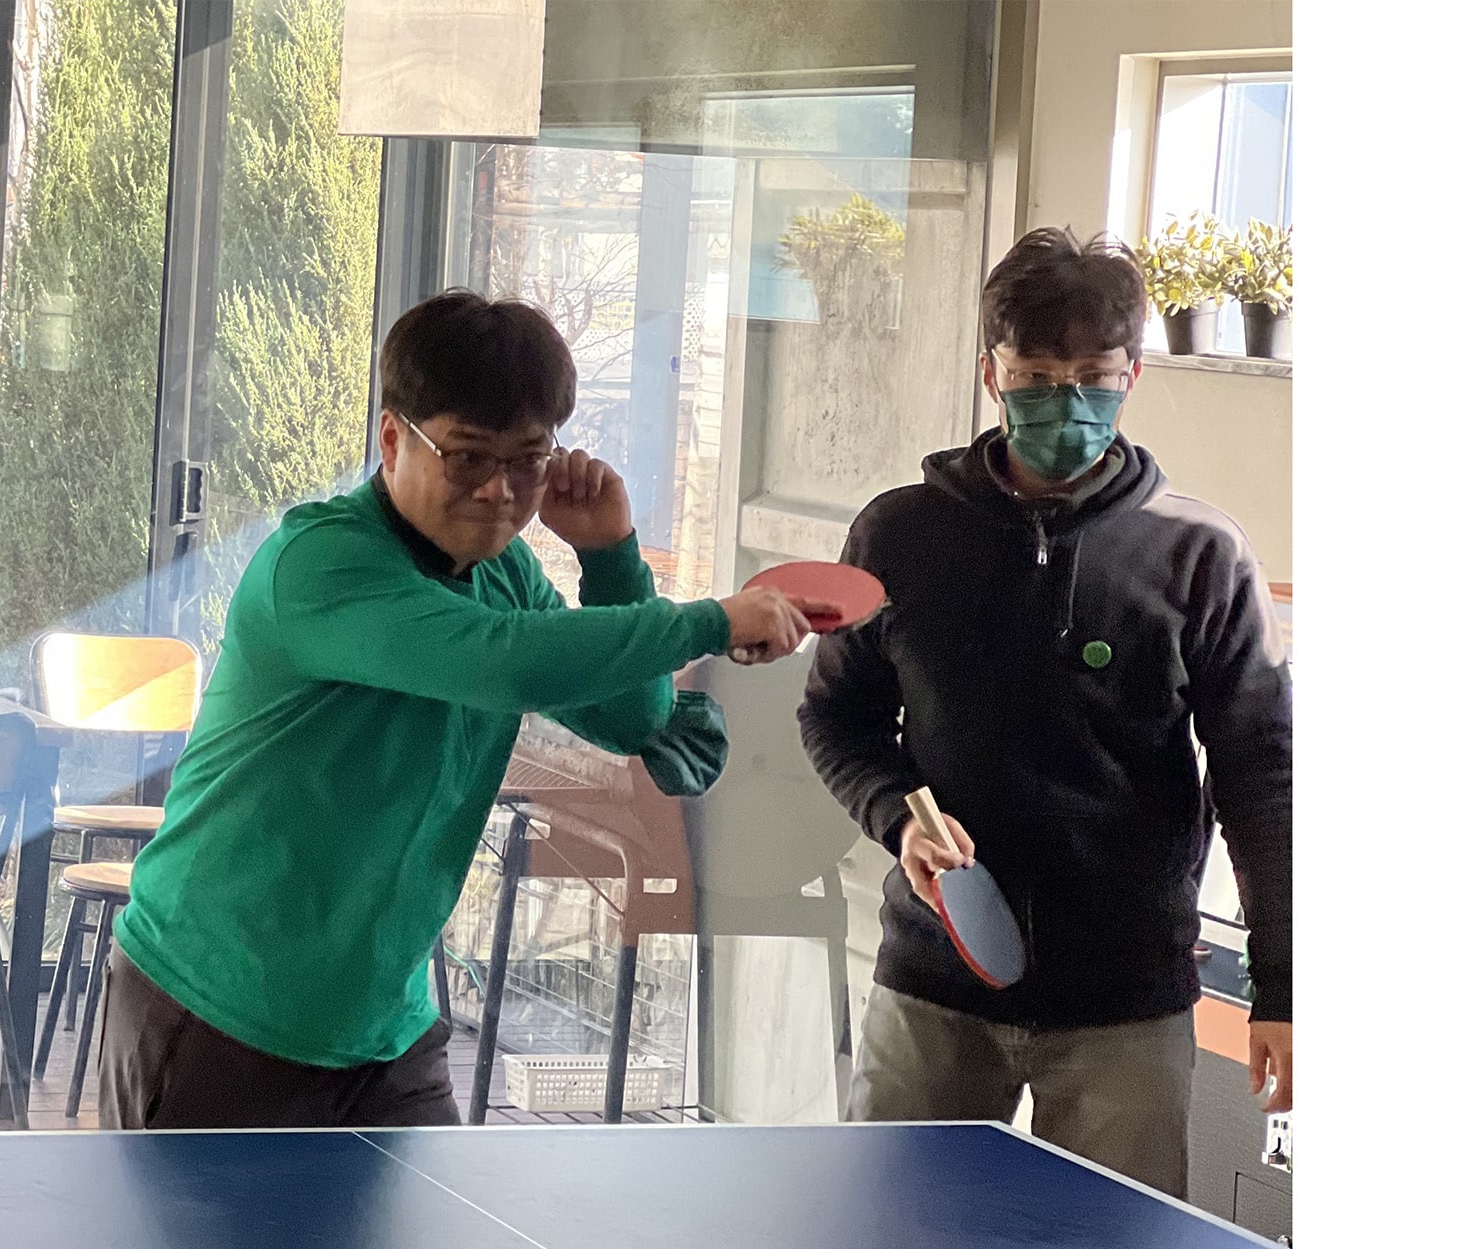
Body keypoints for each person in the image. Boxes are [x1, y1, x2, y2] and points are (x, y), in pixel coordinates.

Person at [96, 290, 820, 1130]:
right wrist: (710, 620)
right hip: (218, 1005)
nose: (500, 492)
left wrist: (611, 554)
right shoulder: (319, 563)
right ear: (393, 437)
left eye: (529, 461)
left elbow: (629, 718)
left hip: (384, 1029)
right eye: (469, 457)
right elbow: (499, 664)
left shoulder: (502, 575)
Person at [796, 228, 1291, 1199]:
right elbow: (836, 717)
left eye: (1092, 376)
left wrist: (1286, 989)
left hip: (1125, 1008)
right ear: (992, 372)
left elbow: (1261, 777)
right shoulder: (898, 533)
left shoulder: (1200, 558)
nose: (1064, 401)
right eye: (1035, 374)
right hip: (934, 990)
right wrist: (897, 813)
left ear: (1132, 375)